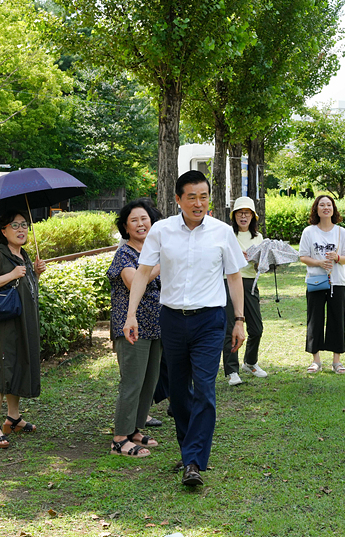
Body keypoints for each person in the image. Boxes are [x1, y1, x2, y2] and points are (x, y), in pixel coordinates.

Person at [123, 171, 246, 487]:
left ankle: (193, 461)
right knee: (178, 393)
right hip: (173, 320)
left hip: (209, 320)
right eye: (191, 196)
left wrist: (240, 320)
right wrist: (131, 314)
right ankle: (190, 448)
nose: (198, 203)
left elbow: (234, 277)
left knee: (205, 387)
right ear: (178, 199)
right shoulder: (162, 231)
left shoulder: (222, 232)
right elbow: (143, 272)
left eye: (203, 196)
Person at [0, 211, 46, 448]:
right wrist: (12, 274)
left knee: (17, 367)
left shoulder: (23, 254)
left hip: (21, 322)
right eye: (15, 225)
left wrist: (36, 274)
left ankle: (13, 418)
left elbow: (24, 288)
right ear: (3, 231)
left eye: (24, 225)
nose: (21, 229)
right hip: (2, 325)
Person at [107, 199, 164, 457]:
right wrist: (162, 264)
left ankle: (135, 429)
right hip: (131, 327)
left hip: (156, 326)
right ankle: (120, 438)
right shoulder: (125, 254)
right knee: (132, 382)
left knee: (148, 382)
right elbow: (133, 283)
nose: (141, 224)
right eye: (134, 220)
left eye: (144, 219)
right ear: (126, 228)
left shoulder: (152, 251)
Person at [298, 194, 345, 375]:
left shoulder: (341, 232)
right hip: (315, 281)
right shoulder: (309, 232)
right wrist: (319, 263)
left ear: (333, 209)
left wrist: (336, 258)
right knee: (315, 319)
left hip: (337, 282)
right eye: (322, 205)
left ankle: (337, 361)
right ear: (316, 209)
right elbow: (303, 256)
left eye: (329, 205)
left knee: (337, 319)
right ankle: (316, 360)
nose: (326, 208)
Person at [222, 196, 267, 385]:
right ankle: (232, 370)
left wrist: (260, 261)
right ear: (234, 216)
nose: (243, 217)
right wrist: (238, 257)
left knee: (256, 328)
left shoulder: (258, 237)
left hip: (250, 283)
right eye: (240, 213)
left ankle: (250, 362)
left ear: (253, 217)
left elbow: (259, 266)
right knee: (230, 327)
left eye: (247, 213)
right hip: (229, 282)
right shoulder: (227, 234)